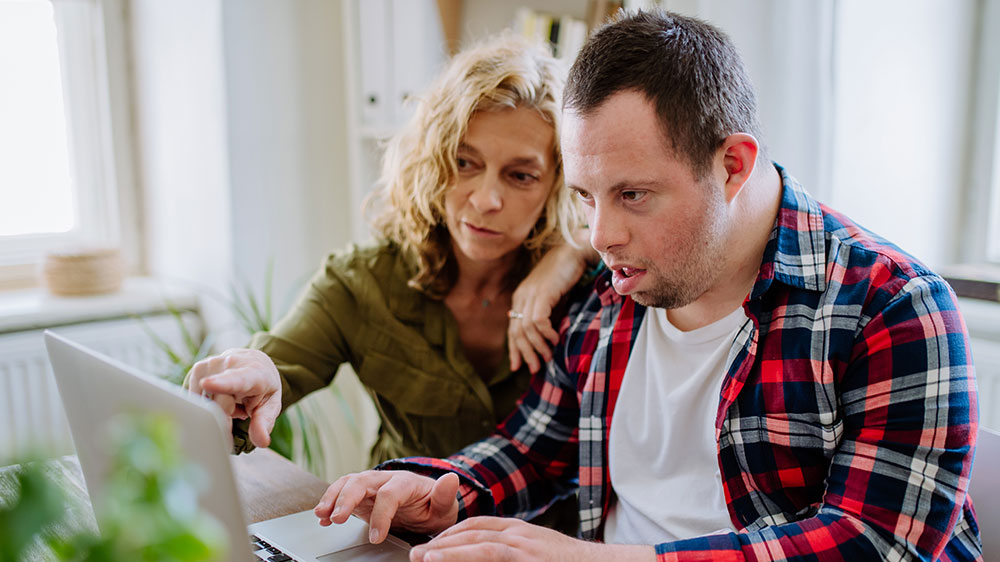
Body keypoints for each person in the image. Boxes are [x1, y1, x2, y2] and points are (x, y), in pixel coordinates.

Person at [313, 10, 983, 561]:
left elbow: (879, 545)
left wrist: (591, 560)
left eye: (633, 194)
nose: (600, 236)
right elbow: (535, 448)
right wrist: (447, 490)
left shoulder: (892, 307)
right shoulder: (616, 287)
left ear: (733, 164)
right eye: (584, 196)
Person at [184, 35, 589, 470]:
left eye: (521, 176)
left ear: (558, 185)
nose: (486, 199)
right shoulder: (362, 283)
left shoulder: (585, 290)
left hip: (544, 534)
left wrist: (572, 254)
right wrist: (246, 379)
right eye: (464, 162)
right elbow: (274, 364)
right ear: (433, 159)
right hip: (396, 532)